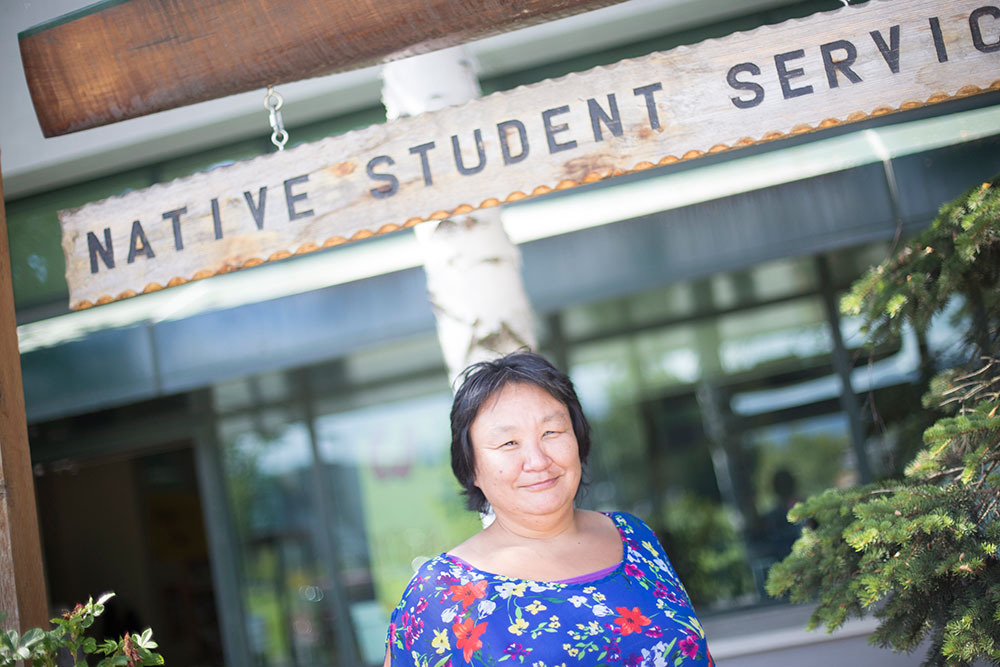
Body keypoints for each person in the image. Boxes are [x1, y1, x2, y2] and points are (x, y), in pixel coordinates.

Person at [384, 351, 713, 666]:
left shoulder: (634, 536)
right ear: (471, 468)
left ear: (578, 439)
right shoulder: (441, 592)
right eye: (509, 443)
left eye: (552, 432)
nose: (538, 461)